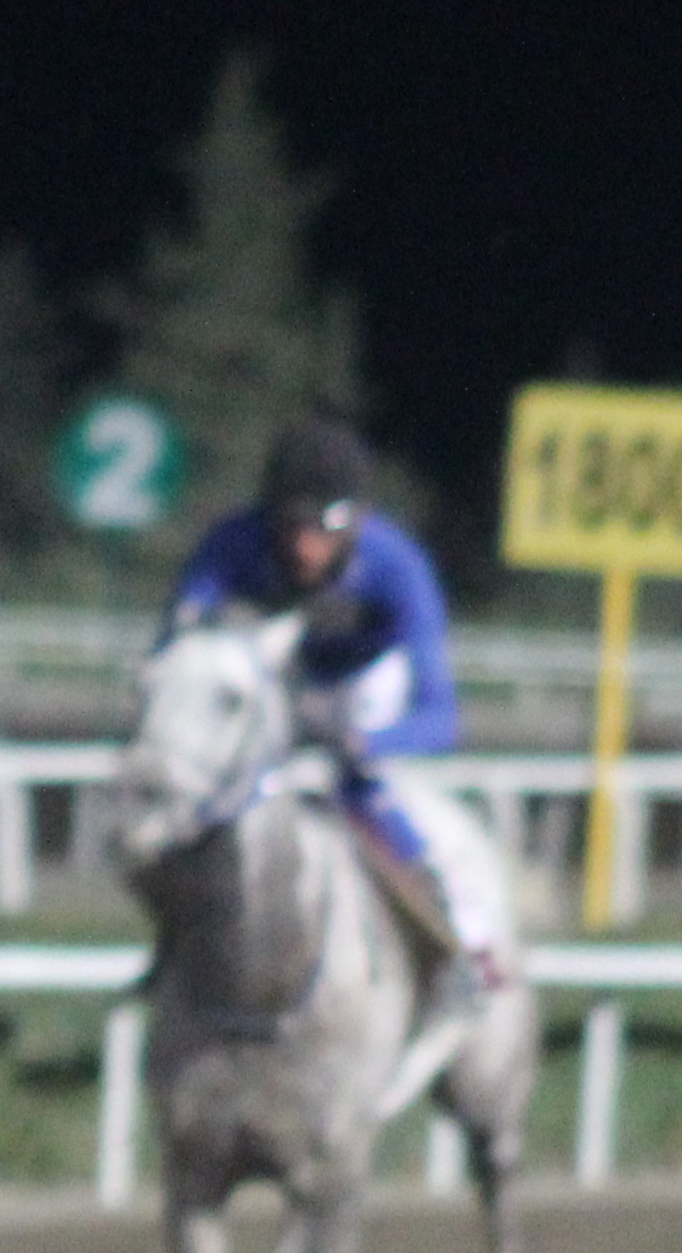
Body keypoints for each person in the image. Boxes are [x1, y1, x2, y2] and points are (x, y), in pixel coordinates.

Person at [165, 417, 506, 990]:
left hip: (366, 691)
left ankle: (463, 940)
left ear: (356, 524)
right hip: (272, 677)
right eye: (291, 527)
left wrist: (364, 743)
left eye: (323, 530)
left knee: (360, 790)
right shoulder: (232, 543)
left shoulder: (399, 568)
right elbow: (177, 643)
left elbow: (440, 718)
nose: (305, 549)